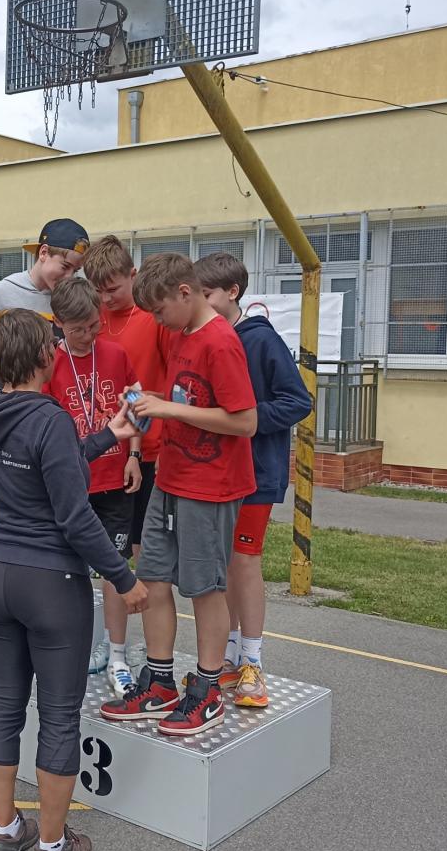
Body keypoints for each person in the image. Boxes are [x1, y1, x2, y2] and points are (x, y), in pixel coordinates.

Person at [0, 309, 147, 851]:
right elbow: (73, 517)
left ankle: (6, 832)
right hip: (50, 582)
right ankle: (52, 845)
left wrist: (107, 436)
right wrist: (124, 578)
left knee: (3, 702)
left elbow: (44, 464)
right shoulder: (49, 417)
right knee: (59, 716)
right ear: (45, 356)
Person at [100, 254, 257, 736]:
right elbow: (180, 396)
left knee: (204, 587)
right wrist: (144, 403)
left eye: (160, 309)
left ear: (185, 293)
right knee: (152, 576)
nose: (157, 320)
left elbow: (245, 421)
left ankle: (206, 689)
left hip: (210, 486)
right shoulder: (179, 332)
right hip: (170, 476)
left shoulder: (220, 341)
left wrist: (168, 410)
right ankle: (161, 681)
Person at [195, 252, 312, 707]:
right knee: (222, 565)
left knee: (244, 562)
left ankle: (253, 662)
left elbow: (297, 401)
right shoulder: (205, 337)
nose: (200, 301)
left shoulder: (260, 340)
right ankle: (227, 657)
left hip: (256, 474)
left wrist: (245, 418)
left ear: (232, 292)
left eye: (206, 294)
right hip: (216, 473)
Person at [0, 218, 90, 614]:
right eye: (65, 267)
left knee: (50, 496)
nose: (68, 277)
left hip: (50, 416)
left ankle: (48, 572)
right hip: (6, 414)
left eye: (75, 271)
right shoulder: (1, 293)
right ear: (43, 253)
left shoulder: (66, 300)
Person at [43, 277, 143, 693]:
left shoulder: (115, 354)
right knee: (70, 571)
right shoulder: (50, 361)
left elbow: (134, 404)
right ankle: (75, 645)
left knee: (116, 566)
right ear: (58, 323)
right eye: (77, 329)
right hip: (72, 484)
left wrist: (134, 454)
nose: (87, 334)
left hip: (114, 478)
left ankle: (117, 653)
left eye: (93, 325)